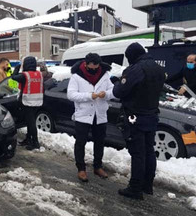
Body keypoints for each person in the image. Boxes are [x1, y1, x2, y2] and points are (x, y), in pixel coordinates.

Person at [113, 43, 165, 200]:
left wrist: (117, 82)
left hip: (136, 116)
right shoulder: (157, 68)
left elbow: (119, 91)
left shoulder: (135, 69)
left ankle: (135, 188)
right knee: (149, 151)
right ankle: (147, 185)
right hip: (151, 115)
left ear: (132, 56)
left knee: (138, 153)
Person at [67, 53, 114, 182]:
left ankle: (97, 166)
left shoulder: (104, 75)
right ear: (86, 64)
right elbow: (71, 95)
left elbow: (112, 90)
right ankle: (81, 168)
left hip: (100, 114)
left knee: (100, 141)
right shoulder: (77, 76)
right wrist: (89, 96)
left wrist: (106, 94)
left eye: (96, 66)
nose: (94, 69)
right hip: (83, 115)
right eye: (91, 66)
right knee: (80, 142)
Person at [11, 56, 43, 150]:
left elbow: (13, 77)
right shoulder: (39, 74)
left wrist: (16, 68)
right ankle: (29, 139)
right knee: (30, 122)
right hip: (37, 101)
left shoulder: (25, 75)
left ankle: (35, 142)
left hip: (28, 101)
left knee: (31, 123)